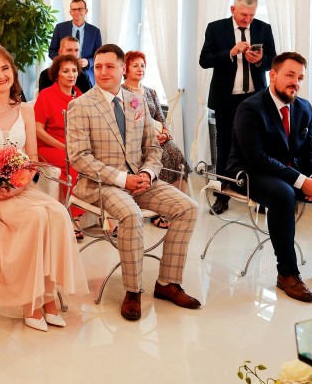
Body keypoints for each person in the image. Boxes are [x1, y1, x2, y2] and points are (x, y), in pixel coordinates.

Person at [0, 45, 87, 331]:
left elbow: (33, 159)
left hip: (20, 185)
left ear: (13, 72)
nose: (0, 75)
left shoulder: (25, 109)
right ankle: (31, 302)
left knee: (57, 214)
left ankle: (49, 297)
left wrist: (17, 187)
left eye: (5, 68)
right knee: (35, 218)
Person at [67, 44, 200, 321]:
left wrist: (148, 174)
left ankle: (168, 283)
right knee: (131, 215)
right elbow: (79, 158)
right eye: (98, 66)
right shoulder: (80, 105)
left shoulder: (137, 101)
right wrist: (122, 179)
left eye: (109, 66)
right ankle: (133, 290)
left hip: (140, 180)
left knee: (188, 208)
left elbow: (152, 146)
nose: (103, 71)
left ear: (122, 69)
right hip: (100, 184)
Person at [226, 52, 312, 303]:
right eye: (290, 75)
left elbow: (311, 150)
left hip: (290, 170)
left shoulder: (304, 107)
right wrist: (301, 182)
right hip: (251, 172)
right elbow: (257, 158)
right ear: (273, 75)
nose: (295, 82)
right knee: (283, 194)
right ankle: (287, 273)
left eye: (300, 78)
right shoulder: (249, 108)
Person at [199, 0, 276, 215]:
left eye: (252, 15)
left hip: (255, 100)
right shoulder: (216, 28)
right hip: (226, 99)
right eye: (244, 15)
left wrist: (260, 60)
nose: (247, 19)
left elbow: (273, 61)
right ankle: (221, 196)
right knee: (224, 147)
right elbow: (205, 60)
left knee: (258, 149)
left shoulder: (264, 28)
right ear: (233, 10)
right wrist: (230, 53)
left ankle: (259, 197)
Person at [121, 50, 191, 202]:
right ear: (125, 69)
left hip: (159, 137)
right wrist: (150, 136)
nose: (140, 69)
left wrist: (165, 134)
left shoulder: (151, 92)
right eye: (135, 66)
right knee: (161, 157)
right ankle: (161, 203)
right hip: (137, 140)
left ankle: (180, 201)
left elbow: (161, 119)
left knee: (176, 153)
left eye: (143, 66)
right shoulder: (121, 92)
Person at [34, 54, 84, 236]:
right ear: (56, 74)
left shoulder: (80, 96)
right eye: (66, 71)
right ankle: (75, 218)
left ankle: (106, 215)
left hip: (74, 146)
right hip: (49, 146)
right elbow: (38, 130)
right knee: (74, 163)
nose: (71, 75)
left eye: (74, 70)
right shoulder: (46, 95)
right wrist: (63, 146)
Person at [49, 0, 102, 85]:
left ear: (86, 11)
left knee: (88, 86)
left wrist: (88, 62)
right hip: (63, 68)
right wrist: (62, 62)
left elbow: (99, 56)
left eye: (80, 9)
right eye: (74, 9)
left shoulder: (95, 31)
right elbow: (52, 51)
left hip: (86, 70)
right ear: (70, 12)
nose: (77, 12)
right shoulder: (60, 28)